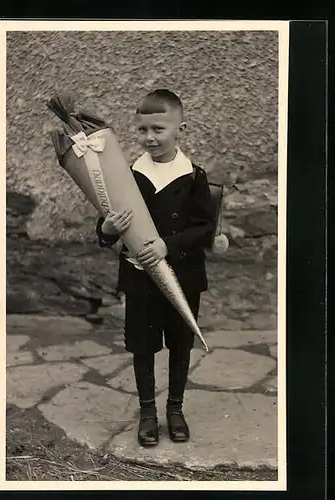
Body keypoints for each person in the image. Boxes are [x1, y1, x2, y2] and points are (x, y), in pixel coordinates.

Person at [96, 89, 214, 447]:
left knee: (180, 345)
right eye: (143, 130)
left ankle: (175, 410)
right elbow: (103, 221)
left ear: (180, 128)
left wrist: (168, 245)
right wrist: (108, 228)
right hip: (140, 278)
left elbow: (205, 227)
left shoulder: (193, 175)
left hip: (183, 276)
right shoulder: (127, 173)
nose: (150, 138)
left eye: (159, 129)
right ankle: (148, 414)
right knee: (143, 347)